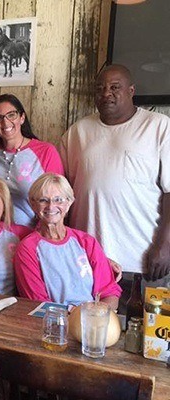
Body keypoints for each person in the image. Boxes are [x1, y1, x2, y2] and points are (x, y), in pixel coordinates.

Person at [62, 64, 170, 291]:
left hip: (142, 261)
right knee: (90, 326)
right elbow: (60, 193)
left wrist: (165, 245)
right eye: (100, 88)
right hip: (88, 262)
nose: (106, 93)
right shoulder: (77, 132)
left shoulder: (158, 126)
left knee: (142, 325)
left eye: (114, 87)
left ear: (131, 91)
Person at [14, 173, 121, 309]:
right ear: (33, 205)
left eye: (58, 200)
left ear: (69, 203)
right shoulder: (27, 248)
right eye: (43, 200)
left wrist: (94, 318)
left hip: (91, 319)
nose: (51, 206)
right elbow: (38, 303)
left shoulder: (87, 242)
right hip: (51, 322)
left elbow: (109, 292)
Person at [0, 94, 63, 227]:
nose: (5, 122)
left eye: (11, 115)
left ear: (22, 118)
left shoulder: (45, 152)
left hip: (32, 233)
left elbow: (58, 201)